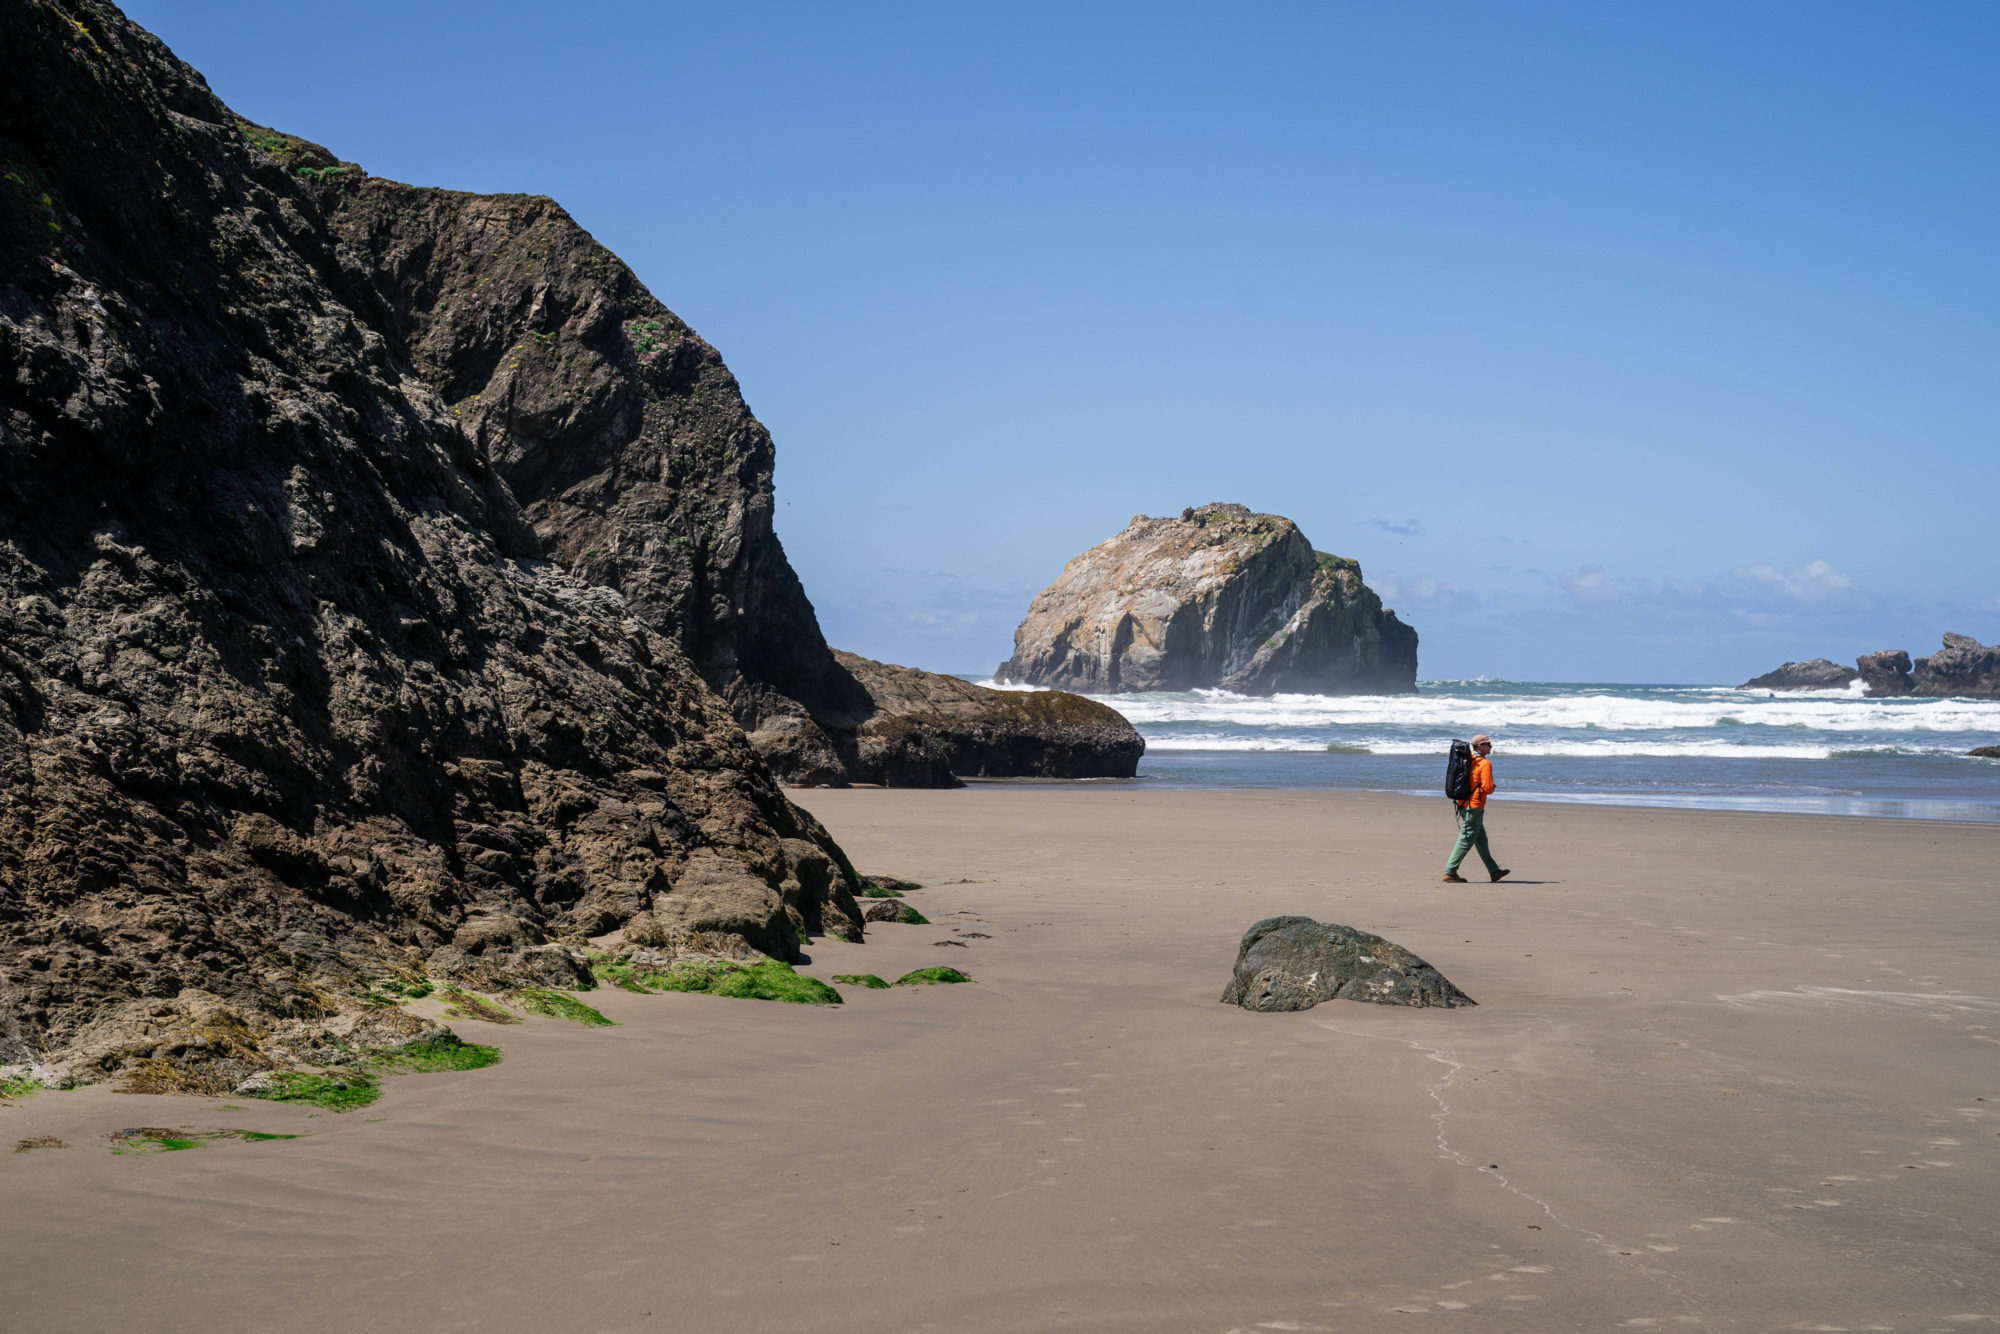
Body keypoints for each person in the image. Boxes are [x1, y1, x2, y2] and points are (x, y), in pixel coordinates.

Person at [1444, 733, 1510, 883]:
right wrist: (1493, 787)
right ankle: (1450, 871)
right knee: (1466, 839)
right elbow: (1488, 788)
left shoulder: (1468, 761)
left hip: (1463, 804)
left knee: (1481, 840)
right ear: (1479, 746)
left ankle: (1494, 871)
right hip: (1475, 806)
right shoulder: (1485, 764)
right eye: (1488, 744)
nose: (1491, 747)